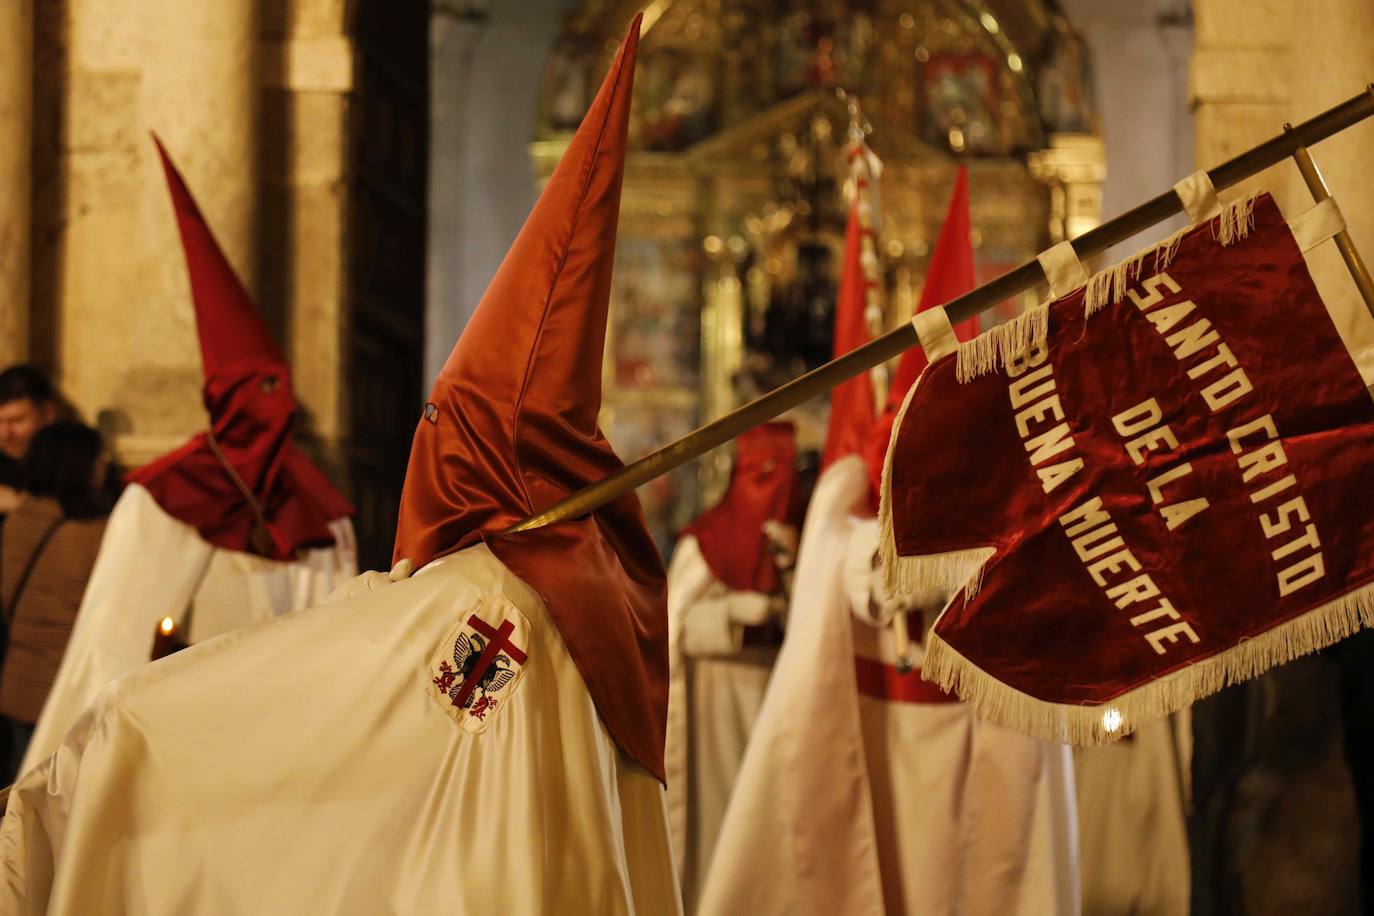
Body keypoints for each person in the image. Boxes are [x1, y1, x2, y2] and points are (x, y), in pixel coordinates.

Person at [0, 17, 680, 914]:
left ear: (482, 447)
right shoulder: (594, 582)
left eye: (445, 418)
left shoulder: (485, 605)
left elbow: (342, 708)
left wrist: (128, 730)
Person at [696, 168, 1080, 916]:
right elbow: (865, 575)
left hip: (972, 739)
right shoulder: (847, 525)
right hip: (875, 733)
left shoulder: (1013, 526)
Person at [18, 137, 358, 775]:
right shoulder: (160, 500)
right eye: (256, 392)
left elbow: (331, 636)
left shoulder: (313, 506)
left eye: (277, 389)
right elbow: (107, 647)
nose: (273, 408)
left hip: (274, 741)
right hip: (173, 741)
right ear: (222, 399)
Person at [665, 420, 803, 909]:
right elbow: (674, 627)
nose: (772, 485)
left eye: (781, 472)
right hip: (716, 708)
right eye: (761, 472)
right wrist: (734, 616)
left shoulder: (800, 535)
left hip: (777, 703)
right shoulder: (703, 543)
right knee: (721, 828)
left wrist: (789, 578)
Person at [0, 422, 109, 782]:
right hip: (63, 690)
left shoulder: (18, 519)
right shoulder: (95, 534)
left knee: (19, 793)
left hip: (17, 683)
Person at [0, 366, 57, 519]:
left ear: (47, 414)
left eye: (16, 421)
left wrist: (19, 504)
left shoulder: (70, 463)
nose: (5, 434)